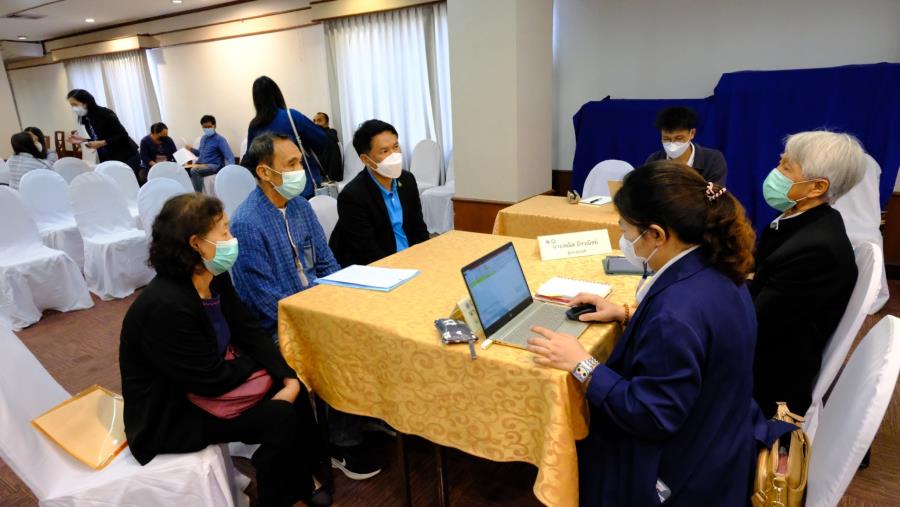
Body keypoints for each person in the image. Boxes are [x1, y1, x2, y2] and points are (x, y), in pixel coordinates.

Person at [528, 162, 760, 505]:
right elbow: (698, 335)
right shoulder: (719, 264)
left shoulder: (674, 314)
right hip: (722, 436)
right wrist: (624, 314)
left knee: (576, 438)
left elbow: (652, 414)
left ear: (657, 235)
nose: (624, 239)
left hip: (679, 472)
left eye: (625, 229)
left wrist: (582, 364)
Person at [119, 193, 331, 507]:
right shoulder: (166, 305)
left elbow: (247, 328)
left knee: (293, 385)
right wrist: (263, 369)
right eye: (224, 232)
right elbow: (210, 379)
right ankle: (283, 492)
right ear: (196, 243)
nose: (232, 239)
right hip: (173, 413)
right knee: (281, 414)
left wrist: (285, 375)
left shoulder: (213, 277)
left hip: (212, 381)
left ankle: (305, 474)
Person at [230, 132, 385, 481]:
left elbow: (327, 262)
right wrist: (323, 318)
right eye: (291, 164)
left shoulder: (300, 206)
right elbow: (268, 301)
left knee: (373, 327)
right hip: (278, 325)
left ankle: (362, 411)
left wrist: (340, 301)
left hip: (317, 305)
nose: (301, 170)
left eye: (300, 161)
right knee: (340, 345)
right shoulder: (247, 223)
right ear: (264, 172)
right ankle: (340, 440)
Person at [751, 130, 864, 418]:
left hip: (768, 380)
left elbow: (758, 322)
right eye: (780, 162)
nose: (776, 172)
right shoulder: (797, 218)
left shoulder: (817, 249)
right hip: (766, 346)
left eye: (786, 167)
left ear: (816, 187)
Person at [329, 120, 429, 267]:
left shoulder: (407, 180)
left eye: (396, 146)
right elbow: (368, 252)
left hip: (410, 260)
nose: (394, 155)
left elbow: (419, 228)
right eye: (384, 151)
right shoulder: (352, 196)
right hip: (377, 267)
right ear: (366, 159)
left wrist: (424, 259)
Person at [246, 76, 335, 197]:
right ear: (277, 94)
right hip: (303, 185)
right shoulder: (291, 117)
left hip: (274, 190)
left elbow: (251, 160)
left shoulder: (254, 126)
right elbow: (322, 141)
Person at [65, 89, 141, 179]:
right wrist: (84, 140)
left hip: (126, 156)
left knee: (129, 184)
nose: (73, 108)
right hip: (109, 158)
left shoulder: (105, 113)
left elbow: (123, 135)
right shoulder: (86, 118)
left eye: (75, 104)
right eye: (71, 105)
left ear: (85, 102)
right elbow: (100, 138)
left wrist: (102, 143)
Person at [645, 106, 727, 185]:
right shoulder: (653, 161)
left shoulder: (712, 160)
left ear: (692, 133)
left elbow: (715, 192)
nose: (672, 144)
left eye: (679, 138)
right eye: (666, 139)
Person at [185, 114, 236, 192]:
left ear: (214, 126)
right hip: (201, 165)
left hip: (214, 166)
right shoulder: (203, 138)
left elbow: (229, 156)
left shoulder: (220, 139)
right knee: (185, 169)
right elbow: (200, 153)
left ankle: (198, 196)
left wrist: (230, 171)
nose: (207, 129)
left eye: (209, 127)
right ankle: (189, 193)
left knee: (194, 171)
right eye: (204, 127)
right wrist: (191, 149)